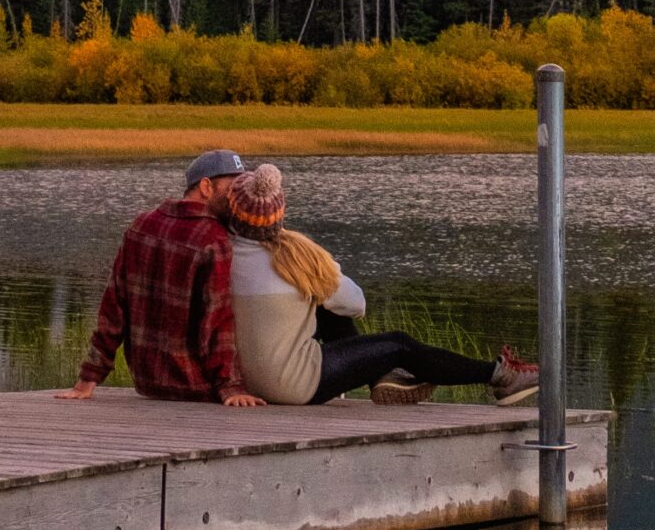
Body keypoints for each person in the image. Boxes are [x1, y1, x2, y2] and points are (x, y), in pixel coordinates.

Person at [221, 161, 539, 407]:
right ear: (279, 213)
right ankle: (498, 376)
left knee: (323, 307)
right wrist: (322, 272)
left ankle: (383, 377)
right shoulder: (298, 258)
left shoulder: (217, 253)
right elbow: (356, 304)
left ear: (232, 211)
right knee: (397, 344)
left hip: (240, 383)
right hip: (293, 386)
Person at [58, 149, 265, 406]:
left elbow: (114, 306)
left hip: (147, 383)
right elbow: (216, 322)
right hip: (196, 385)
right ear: (206, 187)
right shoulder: (214, 240)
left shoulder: (141, 225)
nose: (238, 197)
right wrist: (231, 387)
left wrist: (88, 378)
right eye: (233, 188)